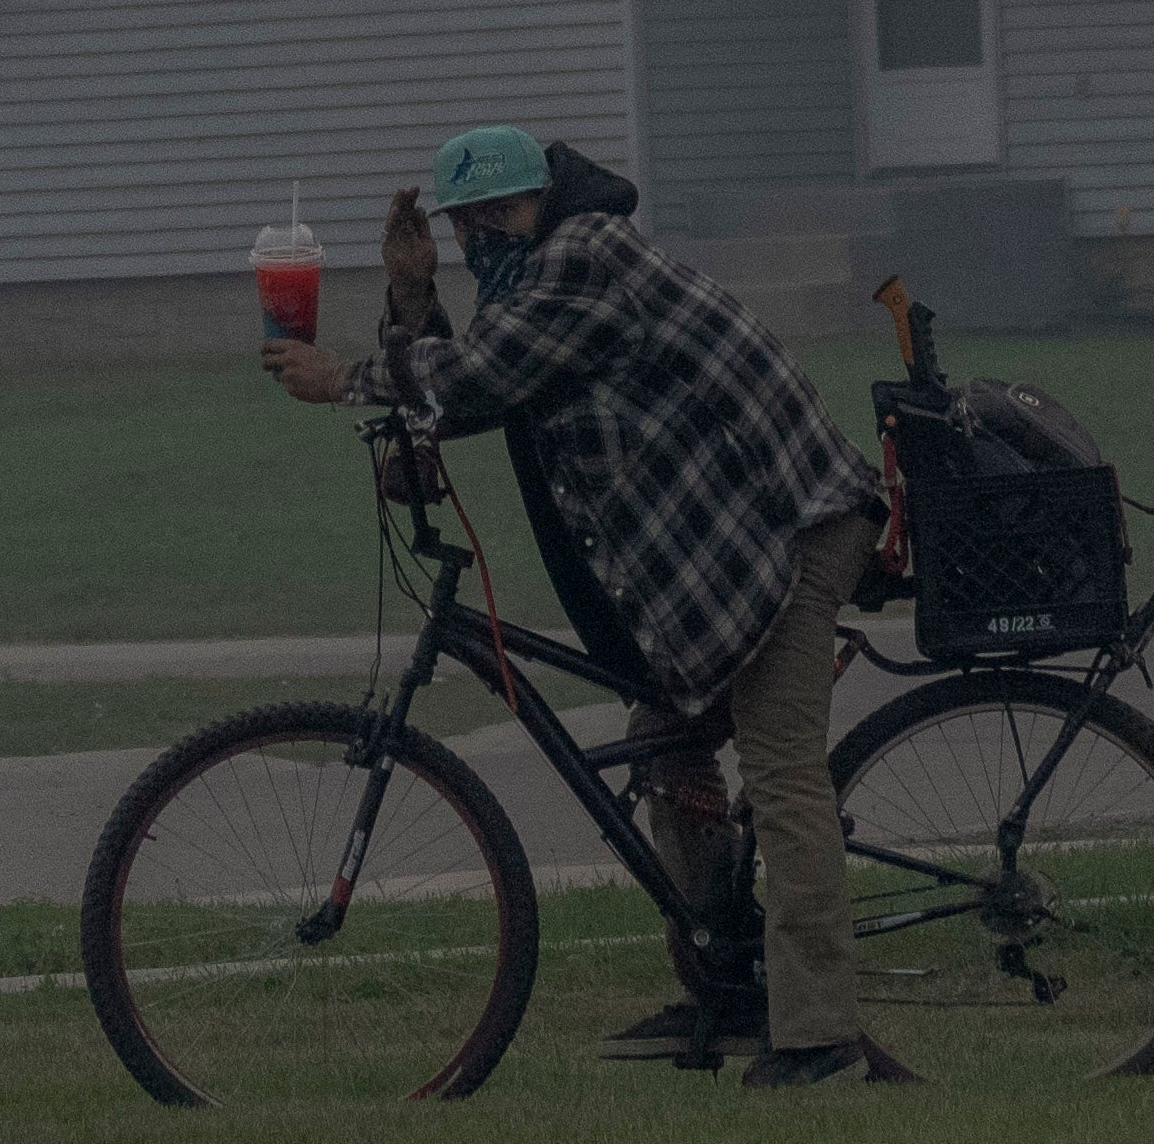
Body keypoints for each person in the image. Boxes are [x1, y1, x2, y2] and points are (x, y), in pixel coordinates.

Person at [268, 121, 909, 1087]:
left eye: (497, 211)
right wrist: (409, 288)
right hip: (721, 550)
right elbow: (478, 385)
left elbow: (479, 375)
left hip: (789, 527)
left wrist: (339, 378)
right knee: (669, 742)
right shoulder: (532, 282)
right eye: (463, 219)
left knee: (781, 775)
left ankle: (820, 1039)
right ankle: (723, 992)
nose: (482, 232)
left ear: (542, 198)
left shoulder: (585, 254)